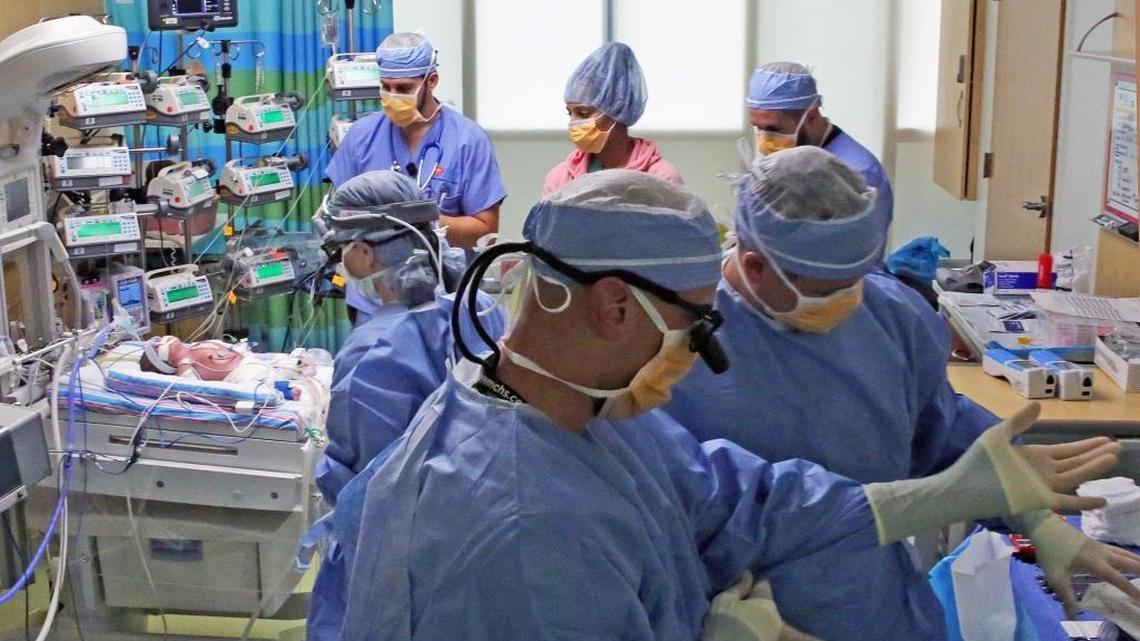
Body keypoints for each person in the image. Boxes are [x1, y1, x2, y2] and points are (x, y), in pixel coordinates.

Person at [339, 169, 1136, 641]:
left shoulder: (586, 416)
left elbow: (742, 495)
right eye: (695, 324)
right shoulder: (520, 528)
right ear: (616, 306)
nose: (696, 354)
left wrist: (938, 495)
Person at [662, 147, 999, 639]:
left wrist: (1025, 503)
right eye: (825, 289)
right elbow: (680, 501)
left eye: (856, 279)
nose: (848, 300)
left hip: (871, 604)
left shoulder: (891, 318)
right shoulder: (676, 343)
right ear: (755, 265)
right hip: (744, 611)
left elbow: (940, 432)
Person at [303, 170, 506, 641]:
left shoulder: (375, 351)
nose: (342, 261)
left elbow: (364, 491)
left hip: (400, 563)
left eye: (341, 249)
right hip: (479, 542)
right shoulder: (482, 311)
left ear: (366, 251)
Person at [326, 33, 507, 325]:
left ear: (431, 81)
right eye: (385, 87)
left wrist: (415, 223)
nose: (392, 96)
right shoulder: (361, 137)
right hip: (374, 302)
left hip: (445, 300)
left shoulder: (467, 140)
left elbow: (484, 229)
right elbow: (338, 217)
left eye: (403, 88)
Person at [747, 61, 893, 232]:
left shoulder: (858, 172)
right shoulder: (790, 161)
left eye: (774, 129)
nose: (764, 141)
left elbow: (852, 248)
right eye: (758, 127)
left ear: (811, 115)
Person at [543, 42, 682, 195]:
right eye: (570, 113)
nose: (573, 123)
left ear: (617, 110)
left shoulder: (661, 180)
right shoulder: (560, 180)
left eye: (583, 113)